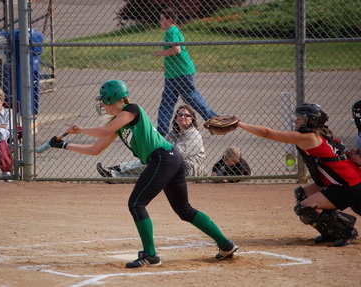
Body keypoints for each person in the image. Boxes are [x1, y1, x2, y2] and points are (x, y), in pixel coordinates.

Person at [50, 79, 238, 268]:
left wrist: (80, 129)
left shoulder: (132, 109)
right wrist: (65, 145)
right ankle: (226, 244)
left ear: (114, 98)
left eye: (104, 100)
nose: (102, 104)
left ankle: (150, 255)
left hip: (163, 159)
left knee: (136, 204)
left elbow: (104, 130)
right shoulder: (119, 124)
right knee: (184, 210)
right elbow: (94, 149)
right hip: (170, 159)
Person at [237, 102, 360, 247]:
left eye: (300, 118)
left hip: (348, 184)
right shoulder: (326, 132)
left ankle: (345, 231)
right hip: (345, 180)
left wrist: (239, 124)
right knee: (302, 193)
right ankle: (331, 231)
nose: (296, 121)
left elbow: (267, 133)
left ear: (310, 120)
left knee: (304, 208)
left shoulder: (308, 137)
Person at [154, 8, 218, 136]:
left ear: (170, 20)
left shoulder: (171, 31)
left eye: (162, 19)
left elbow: (176, 49)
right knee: (167, 101)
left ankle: (213, 121)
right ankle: (162, 130)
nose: (160, 21)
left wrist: (161, 53)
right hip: (172, 74)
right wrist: (167, 65)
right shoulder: (171, 31)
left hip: (182, 72)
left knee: (191, 98)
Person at [97, 104, 206, 178]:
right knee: (151, 169)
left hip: (189, 169)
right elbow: (162, 149)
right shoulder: (173, 134)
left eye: (186, 115)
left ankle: (115, 171)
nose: (182, 117)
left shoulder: (194, 134)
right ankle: (115, 175)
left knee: (156, 163)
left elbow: (178, 153)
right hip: (172, 163)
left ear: (192, 119)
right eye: (180, 114)